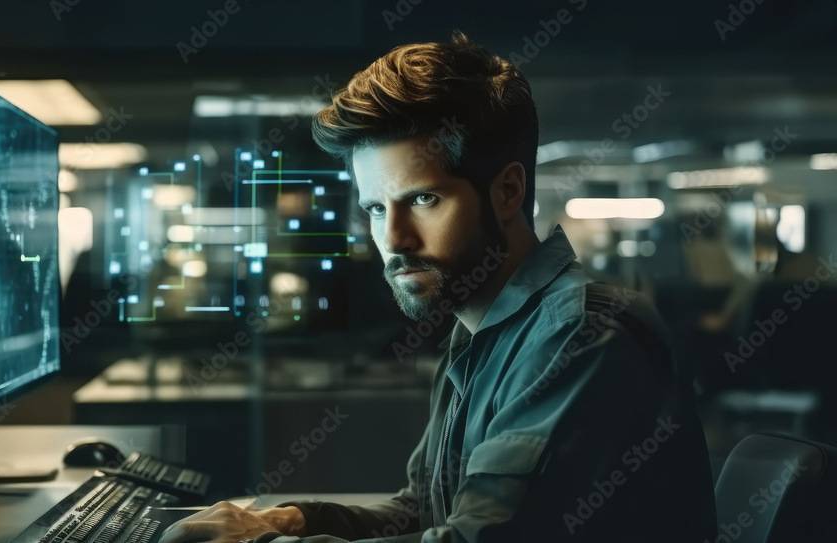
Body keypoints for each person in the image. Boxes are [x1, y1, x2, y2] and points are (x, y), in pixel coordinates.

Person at [161, 32, 717, 543]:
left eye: (423, 199)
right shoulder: (483, 328)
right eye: (376, 209)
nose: (394, 238)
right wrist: (290, 520)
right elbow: (426, 510)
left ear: (506, 192)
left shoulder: (580, 333)